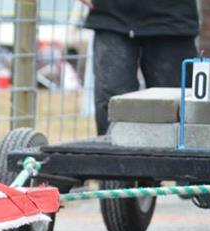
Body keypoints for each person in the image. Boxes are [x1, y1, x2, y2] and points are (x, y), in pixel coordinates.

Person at [79, 0, 199, 134]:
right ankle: (113, 155)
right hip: (112, 16)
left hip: (173, 20)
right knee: (113, 110)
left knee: (177, 111)